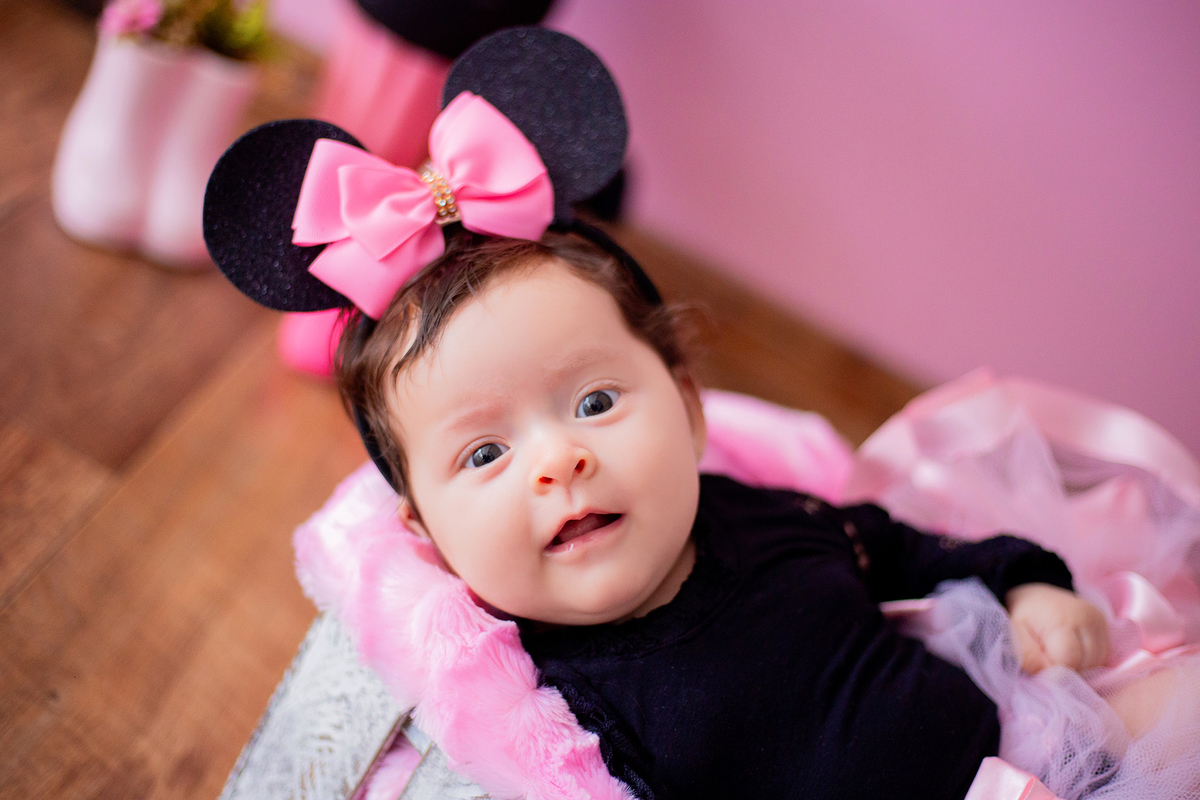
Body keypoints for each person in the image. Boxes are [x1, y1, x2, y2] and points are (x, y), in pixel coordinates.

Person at [332, 230, 1144, 800]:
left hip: (1034, 760)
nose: (558, 460)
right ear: (427, 535)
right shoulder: (557, 718)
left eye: (594, 400)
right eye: (484, 454)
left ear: (687, 409)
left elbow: (897, 545)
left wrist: (1026, 580)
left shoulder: (755, 517)